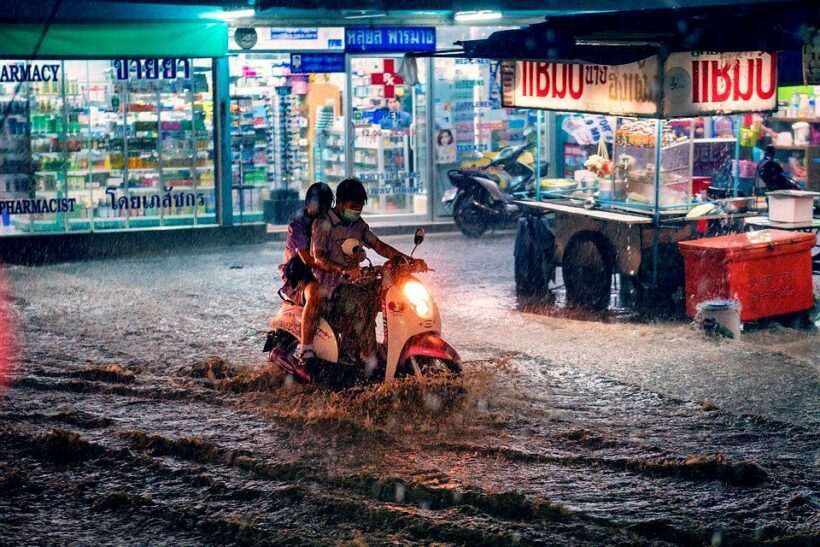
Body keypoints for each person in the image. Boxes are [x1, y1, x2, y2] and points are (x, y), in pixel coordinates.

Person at [304, 178, 423, 365]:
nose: (357, 211)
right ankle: (368, 356)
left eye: (360, 207)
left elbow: (378, 245)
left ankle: (391, 345)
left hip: (354, 284)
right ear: (340, 203)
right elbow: (317, 257)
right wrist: (343, 270)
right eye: (353, 206)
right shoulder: (322, 223)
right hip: (331, 289)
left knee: (390, 293)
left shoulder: (358, 224)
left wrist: (408, 260)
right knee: (363, 301)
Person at [278, 182, 334, 351]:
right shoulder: (298, 226)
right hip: (299, 280)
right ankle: (306, 348)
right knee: (315, 292)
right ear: (307, 203)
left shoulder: (329, 223)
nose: (320, 210)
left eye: (325, 206)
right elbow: (308, 259)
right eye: (317, 205)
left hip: (323, 275)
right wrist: (338, 268)